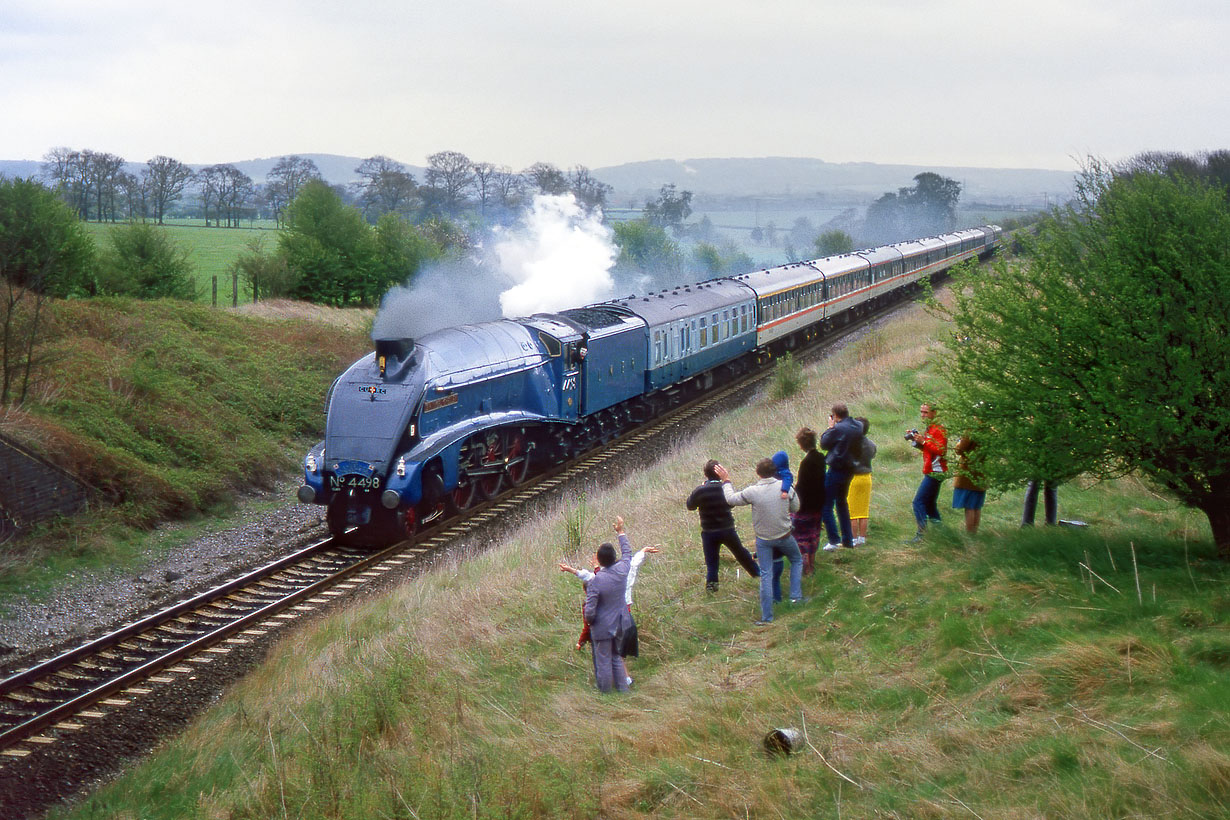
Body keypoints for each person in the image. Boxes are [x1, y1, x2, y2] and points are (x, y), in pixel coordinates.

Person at [715, 458, 804, 625]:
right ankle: (796, 597)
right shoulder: (784, 486)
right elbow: (796, 507)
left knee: (766, 575)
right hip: (785, 536)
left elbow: (731, 499)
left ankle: (767, 617)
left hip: (764, 541)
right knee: (797, 560)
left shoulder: (752, 491)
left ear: (758, 473)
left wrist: (726, 481)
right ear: (774, 471)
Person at [685, 460, 761, 592]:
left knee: (712, 562)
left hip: (709, 532)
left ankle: (712, 588)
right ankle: (758, 574)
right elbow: (731, 503)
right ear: (720, 473)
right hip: (727, 530)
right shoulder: (724, 489)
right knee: (741, 553)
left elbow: (690, 506)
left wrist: (701, 488)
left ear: (706, 474)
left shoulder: (700, 491)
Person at [581, 516, 637, 693]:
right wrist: (620, 532)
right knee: (616, 658)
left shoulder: (596, 581)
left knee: (604, 661)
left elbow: (589, 610)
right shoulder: (622, 570)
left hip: (603, 627)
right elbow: (627, 553)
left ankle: (605, 693)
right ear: (614, 558)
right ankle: (623, 690)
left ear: (599, 560)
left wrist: (590, 622)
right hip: (621, 623)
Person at [819, 403, 865, 551]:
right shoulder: (858, 425)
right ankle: (848, 540)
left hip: (837, 467)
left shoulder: (838, 429)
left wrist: (831, 427)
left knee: (826, 504)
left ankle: (833, 540)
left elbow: (824, 444)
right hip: (850, 468)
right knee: (842, 503)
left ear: (835, 415)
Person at [905, 402, 948, 542]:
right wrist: (917, 442)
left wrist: (923, 442)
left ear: (934, 413)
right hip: (932, 469)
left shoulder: (939, 429)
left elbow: (941, 450)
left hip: (936, 471)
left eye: (926, 412)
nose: (923, 415)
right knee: (930, 504)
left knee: (918, 502)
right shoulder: (930, 429)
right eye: (921, 412)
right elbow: (929, 451)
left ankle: (922, 535)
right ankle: (941, 532)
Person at [791, 428, 826, 574]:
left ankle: (806, 567)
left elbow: (802, 486)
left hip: (805, 505)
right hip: (819, 502)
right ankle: (812, 563)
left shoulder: (806, 463)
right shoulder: (820, 458)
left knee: (802, 536)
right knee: (814, 533)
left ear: (802, 444)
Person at [847, 417, 876, 546]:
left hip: (853, 478)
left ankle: (853, 538)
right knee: (863, 510)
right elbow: (873, 454)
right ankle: (862, 538)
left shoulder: (849, 445)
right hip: (866, 478)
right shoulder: (871, 444)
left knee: (852, 512)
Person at [951, 435, 987, 534]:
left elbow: (960, 449)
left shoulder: (971, 430)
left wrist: (958, 442)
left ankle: (970, 535)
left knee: (969, 506)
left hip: (968, 473)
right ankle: (974, 533)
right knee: (976, 506)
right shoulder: (989, 429)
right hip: (982, 472)